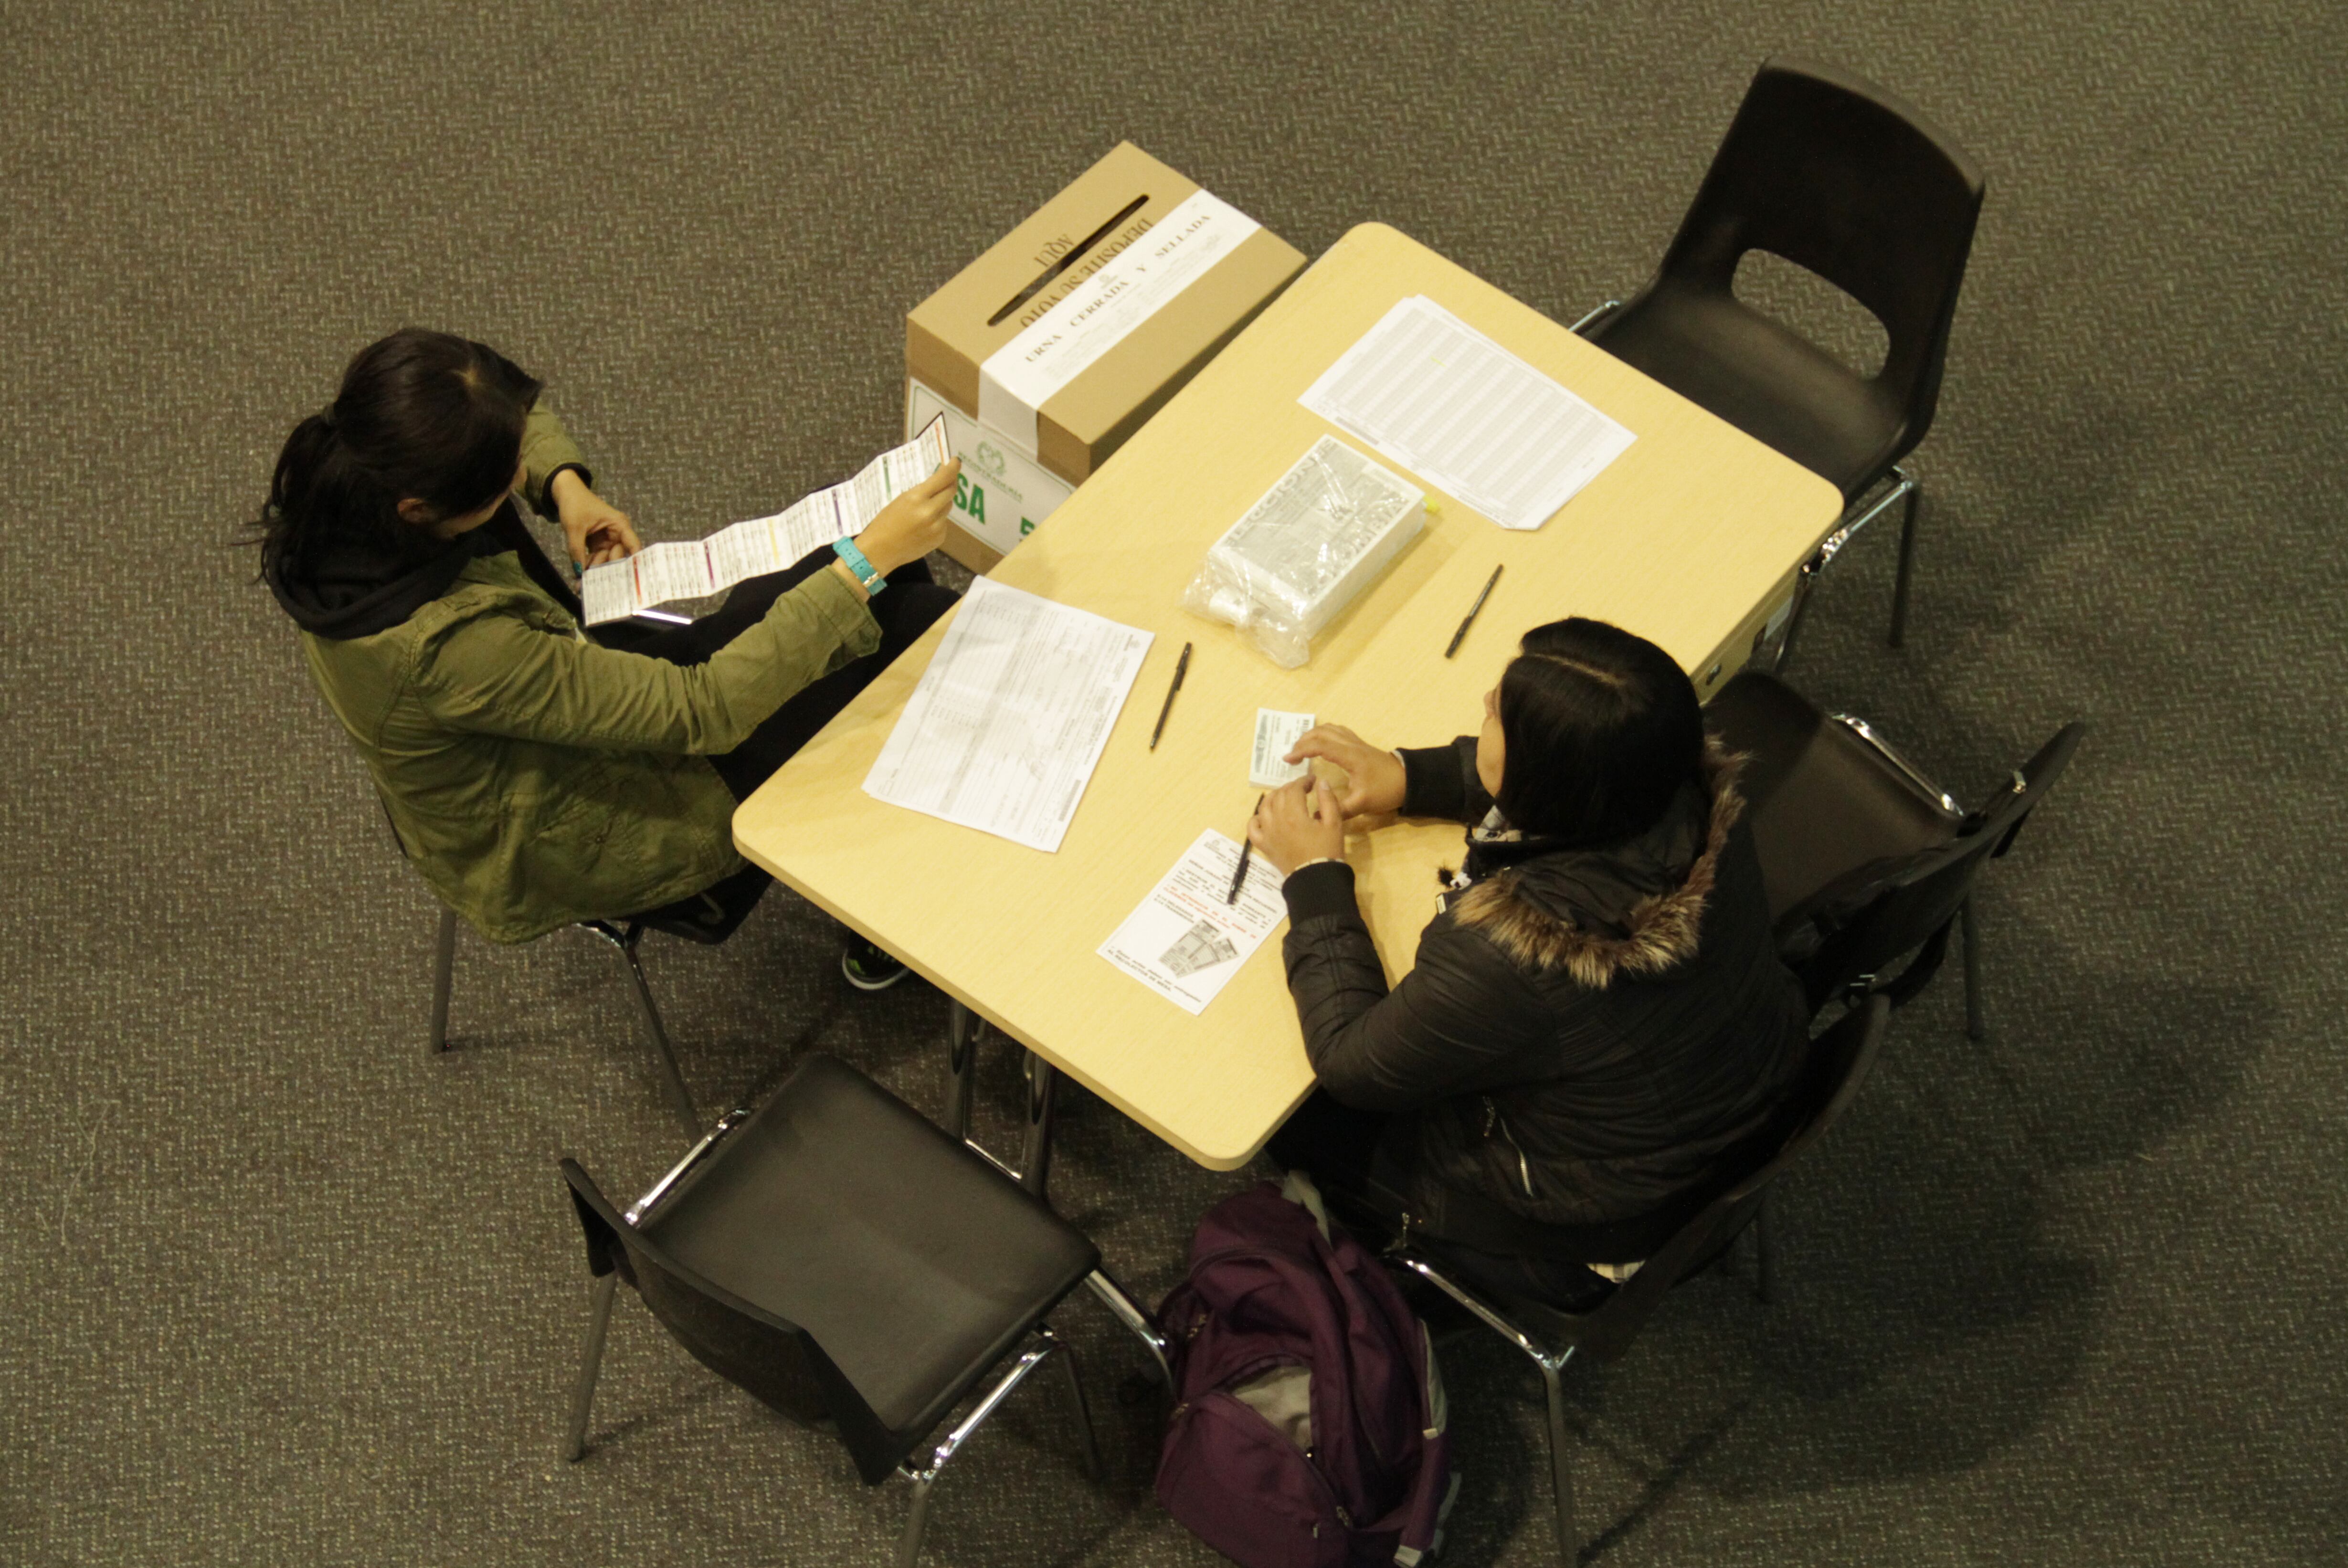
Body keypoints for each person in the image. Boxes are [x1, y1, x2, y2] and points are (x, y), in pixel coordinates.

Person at [257, 328, 959, 988]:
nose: (517, 480)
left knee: (879, 588)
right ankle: (892, 907)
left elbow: (503, 406)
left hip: (559, 703)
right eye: (506, 485)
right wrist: (863, 564)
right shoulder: (448, 650)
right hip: (606, 823)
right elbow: (704, 709)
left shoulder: (360, 474)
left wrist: (564, 484)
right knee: (912, 619)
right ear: (420, 509)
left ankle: (881, 867)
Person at [1245, 617, 1810, 1308]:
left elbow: (1350, 1064)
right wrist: (1410, 776)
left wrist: (1314, 873)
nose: (1485, 699)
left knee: (1286, 1117)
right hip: (1726, 1111)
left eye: (1498, 714)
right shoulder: (1681, 788)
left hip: (1592, 1223)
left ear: (1541, 779)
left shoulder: (1517, 952)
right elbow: (1583, 791)